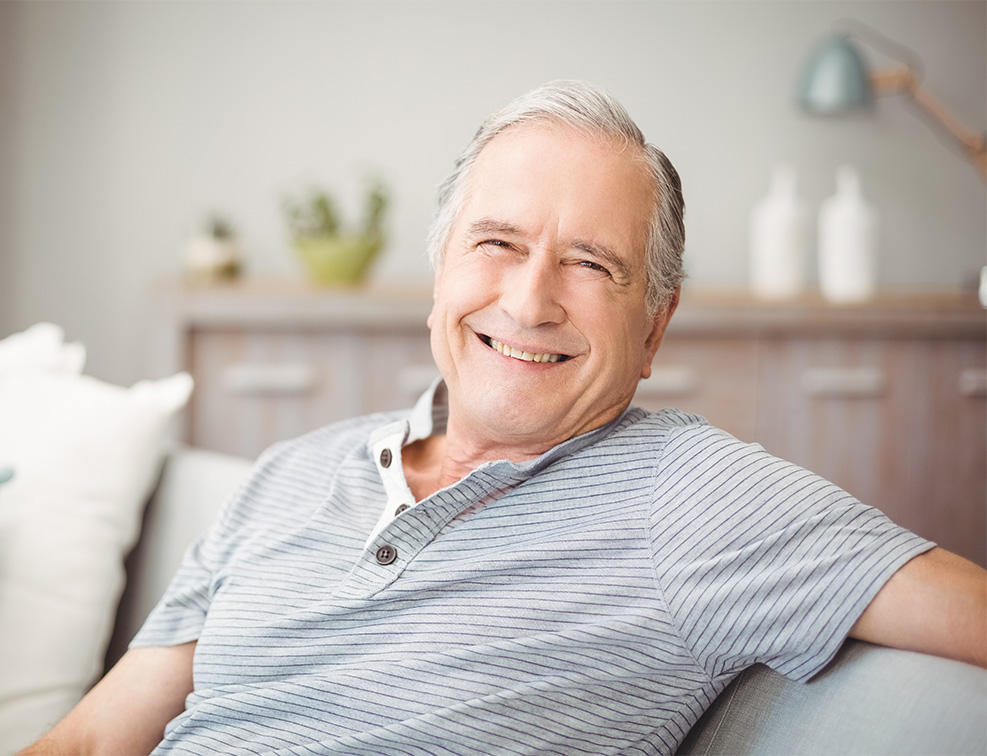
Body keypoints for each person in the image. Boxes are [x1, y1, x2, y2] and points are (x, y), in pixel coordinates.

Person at [20, 80, 986, 756]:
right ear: (440, 274)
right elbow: (97, 737)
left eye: (591, 264)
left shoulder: (694, 498)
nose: (529, 302)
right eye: (498, 242)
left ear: (654, 328)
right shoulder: (292, 472)